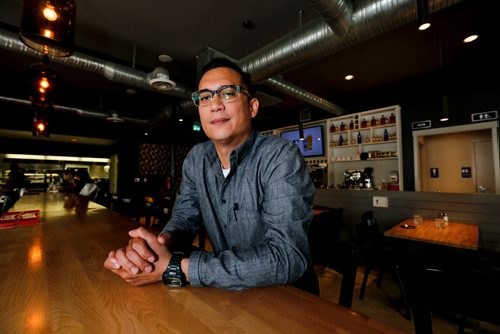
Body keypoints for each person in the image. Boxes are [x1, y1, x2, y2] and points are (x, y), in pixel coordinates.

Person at [104, 58, 317, 294]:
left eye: (228, 93)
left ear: (252, 107)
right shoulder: (197, 158)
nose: (215, 104)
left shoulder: (279, 156)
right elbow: (184, 218)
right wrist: (153, 248)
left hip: (289, 298)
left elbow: (288, 258)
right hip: (229, 295)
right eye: (205, 97)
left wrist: (178, 268)